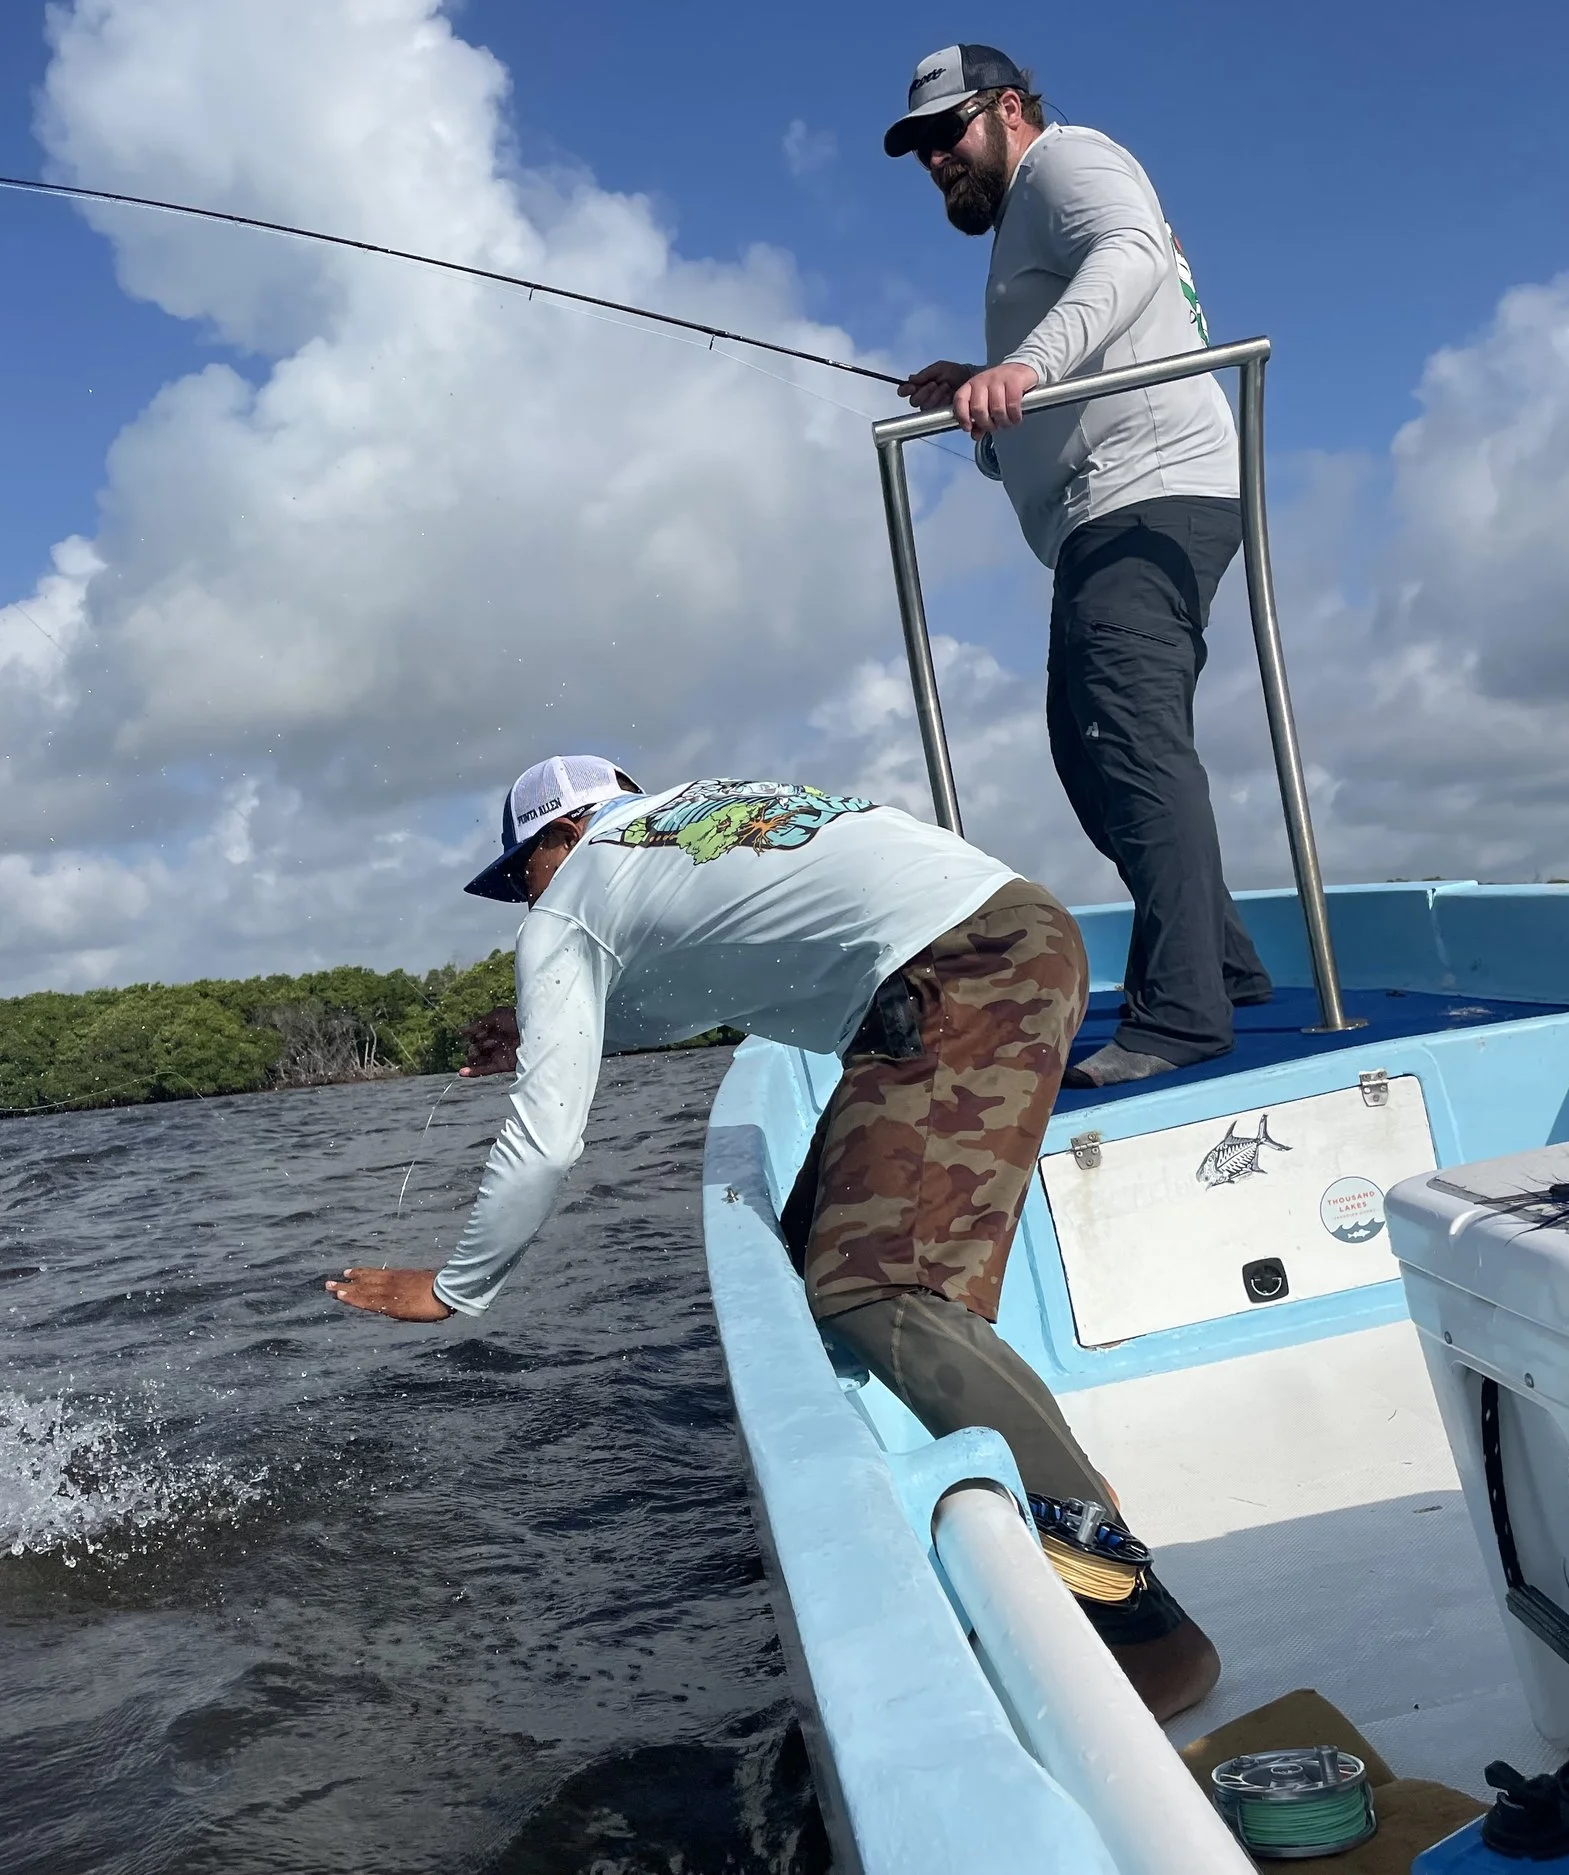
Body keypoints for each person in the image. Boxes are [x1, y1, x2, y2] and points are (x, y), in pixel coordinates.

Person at [327, 756, 1221, 1719]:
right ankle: (1059, 1476)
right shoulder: (701, 814)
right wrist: (546, 1025)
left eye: (519, 875)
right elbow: (698, 995)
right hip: (1006, 940)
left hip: (952, 979)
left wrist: (457, 1286)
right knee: (818, 1259)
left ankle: (1137, 1619)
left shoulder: (566, 906)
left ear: (562, 836)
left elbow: (546, 1142)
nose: (522, 901)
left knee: (872, 1290)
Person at [885, 44, 1272, 1088]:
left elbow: (1131, 255)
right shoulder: (1023, 217)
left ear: (1009, 109)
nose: (933, 160)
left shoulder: (1070, 162)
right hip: (1109, 508)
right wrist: (981, 382)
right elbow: (1094, 337)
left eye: (947, 133)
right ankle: (1222, 964)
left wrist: (1021, 366)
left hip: (1150, 492)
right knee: (1083, 749)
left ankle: (1181, 1016)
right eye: (918, 146)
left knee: (1128, 741)